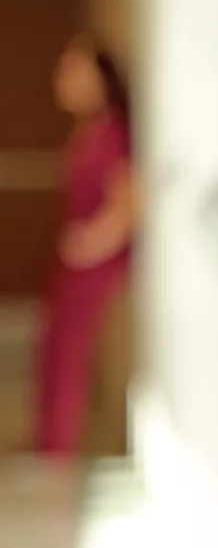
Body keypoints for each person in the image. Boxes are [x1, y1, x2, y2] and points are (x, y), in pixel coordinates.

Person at [34, 35, 138, 456]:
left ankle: (58, 448)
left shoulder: (113, 133)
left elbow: (128, 200)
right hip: (76, 260)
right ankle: (50, 443)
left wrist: (92, 242)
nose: (64, 79)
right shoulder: (89, 131)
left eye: (74, 69)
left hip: (95, 262)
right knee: (55, 347)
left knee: (72, 352)